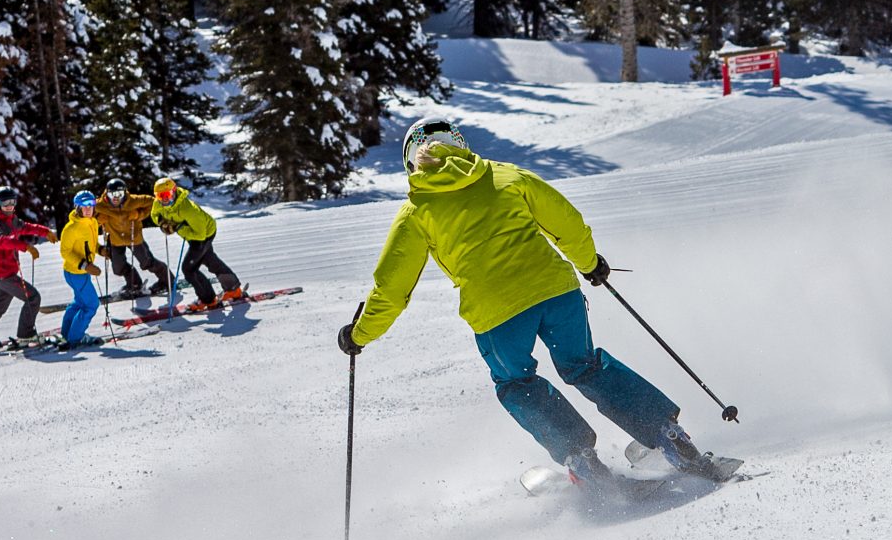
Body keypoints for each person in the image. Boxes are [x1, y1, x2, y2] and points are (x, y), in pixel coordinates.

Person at [337, 118, 730, 490]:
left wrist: (360, 334)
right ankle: (668, 435)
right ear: (461, 145)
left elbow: (391, 290)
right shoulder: (505, 175)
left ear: (411, 162)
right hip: (556, 293)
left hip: (497, 314)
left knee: (516, 383)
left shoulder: (416, 212)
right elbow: (565, 221)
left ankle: (583, 462)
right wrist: (590, 263)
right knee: (585, 366)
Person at [0, 185, 54, 352]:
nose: (9, 206)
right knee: (33, 298)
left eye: (12, 202)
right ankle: (25, 334)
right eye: (5, 202)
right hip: (3, 274)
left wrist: (45, 231)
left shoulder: (11, 219)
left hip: (5, 273)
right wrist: (25, 247)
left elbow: (26, 226)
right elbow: (1, 241)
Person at [150, 175, 246, 309]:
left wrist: (178, 227)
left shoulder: (188, 209)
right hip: (192, 235)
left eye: (167, 195)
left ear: (174, 192)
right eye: (160, 196)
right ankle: (233, 289)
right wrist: (161, 223)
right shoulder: (158, 204)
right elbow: (154, 215)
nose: (165, 199)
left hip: (204, 234)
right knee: (210, 260)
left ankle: (208, 299)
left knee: (189, 269)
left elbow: (199, 236)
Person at [93, 179, 171, 298]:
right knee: (118, 268)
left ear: (125, 192)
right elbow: (86, 215)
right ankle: (134, 285)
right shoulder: (100, 205)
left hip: (134, 237)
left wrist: (139, 215)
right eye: (112, 194)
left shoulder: (133, 200)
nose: (115, 198)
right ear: (106, 193)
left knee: (147, 262)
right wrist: (98, 219)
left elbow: (153, 203)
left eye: (119, 194)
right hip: (116, 239)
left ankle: (168, 280)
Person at [56, 191, 104, 347]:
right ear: (77, 207)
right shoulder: (71, 228)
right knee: (91, 305)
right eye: (84, 206)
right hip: (75, 272)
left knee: (78, 302)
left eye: (91, 205)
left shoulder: (93, 222)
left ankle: (67, 333)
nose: (88, 209)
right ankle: (76, 338)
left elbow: (91, 245)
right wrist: (85, 265)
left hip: (81, 273)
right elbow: (65, 252)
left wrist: (102, 250)